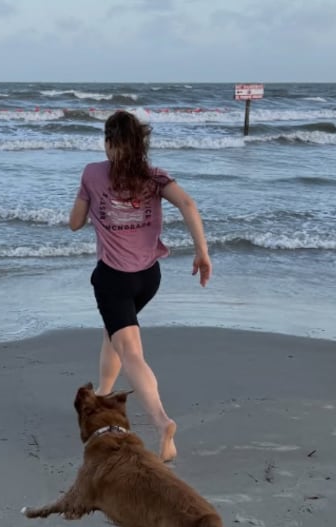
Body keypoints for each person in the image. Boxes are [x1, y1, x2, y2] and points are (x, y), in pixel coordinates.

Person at [69, 110, 212, 462]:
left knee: (130, 350)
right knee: (114, 333)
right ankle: (103, 394)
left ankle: (162, 423)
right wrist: (202, 252)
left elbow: (75, 223)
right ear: (140, 143)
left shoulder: (92, 173)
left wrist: (89, 203)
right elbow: (189, 204)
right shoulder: (156, 177)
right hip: (149, 278)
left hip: (114, 278)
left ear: (108, 142)